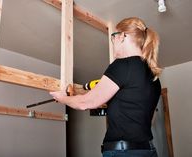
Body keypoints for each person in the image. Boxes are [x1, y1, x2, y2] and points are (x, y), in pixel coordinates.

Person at [50, 17, 162, 157]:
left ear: (122, 36)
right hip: (148, 150)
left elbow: (85, 103)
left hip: (123, 152)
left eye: (114, 36)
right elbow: (146, 117)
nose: (113, 41)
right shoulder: (154, 77)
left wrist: (62, 98)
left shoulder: (122, 65)